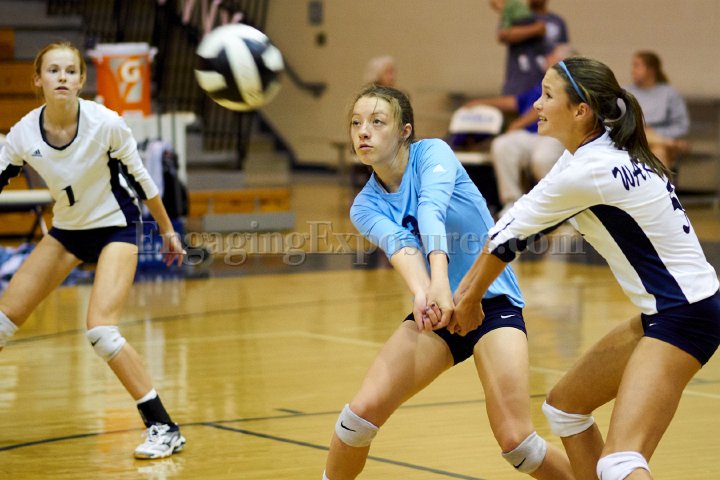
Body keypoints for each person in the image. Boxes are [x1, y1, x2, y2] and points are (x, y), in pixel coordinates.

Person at [451, 56, 720, 480]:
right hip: (674, 310)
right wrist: (463, 296)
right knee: (565, 408)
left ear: (581, 111)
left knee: (620, 460)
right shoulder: (596, 151)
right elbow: (509, 227)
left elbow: (505, 241)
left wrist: (468, 303)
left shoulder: (589, 170)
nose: (536, 105)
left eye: (547, 96)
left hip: (684, 316)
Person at [322, 84, 575, 480]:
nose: (363, 132)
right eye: (356, 123)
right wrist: (425, 293)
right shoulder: (364, 205)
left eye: (377, 122)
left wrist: (440, 282)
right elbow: (402, 248)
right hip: (439, 310)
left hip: (491, 303)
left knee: (518, 445)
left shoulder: (433, 153)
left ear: (405, 131)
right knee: (357, 420)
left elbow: (431, 211)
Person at [0, 42, 188, 460]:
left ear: (82, 80)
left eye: (70, 71)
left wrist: (167, 230)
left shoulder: (105, 123)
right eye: (53, 70)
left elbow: (142, 180)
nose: (62, 77)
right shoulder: (24, 133)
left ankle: (164, 427)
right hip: (68, 230)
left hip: (116, 227)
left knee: (101, 330)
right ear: (37, 80)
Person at [464, 43, 571, 216]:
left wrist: (518, 123)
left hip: (554, 135)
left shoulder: (568, 85)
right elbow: (514, 102)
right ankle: (512, 203)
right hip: (531, 135)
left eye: (551, 55)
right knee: (503, 144)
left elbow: (540, 108)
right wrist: (479, 102)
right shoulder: (541, 84)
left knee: (541, 158)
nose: (546, 57)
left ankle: (556, 206)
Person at [626, 51, 689, 170]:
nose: (633, 70)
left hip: (656, 142)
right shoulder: (626, 93)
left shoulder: (669, 93)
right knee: (647, 138)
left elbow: (681, 126)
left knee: (659, 152)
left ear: (651, 70)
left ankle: (662, 142)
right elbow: (617, 121)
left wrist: (655, 132)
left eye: (637, 66)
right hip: (631, 139)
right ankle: (669, 143)